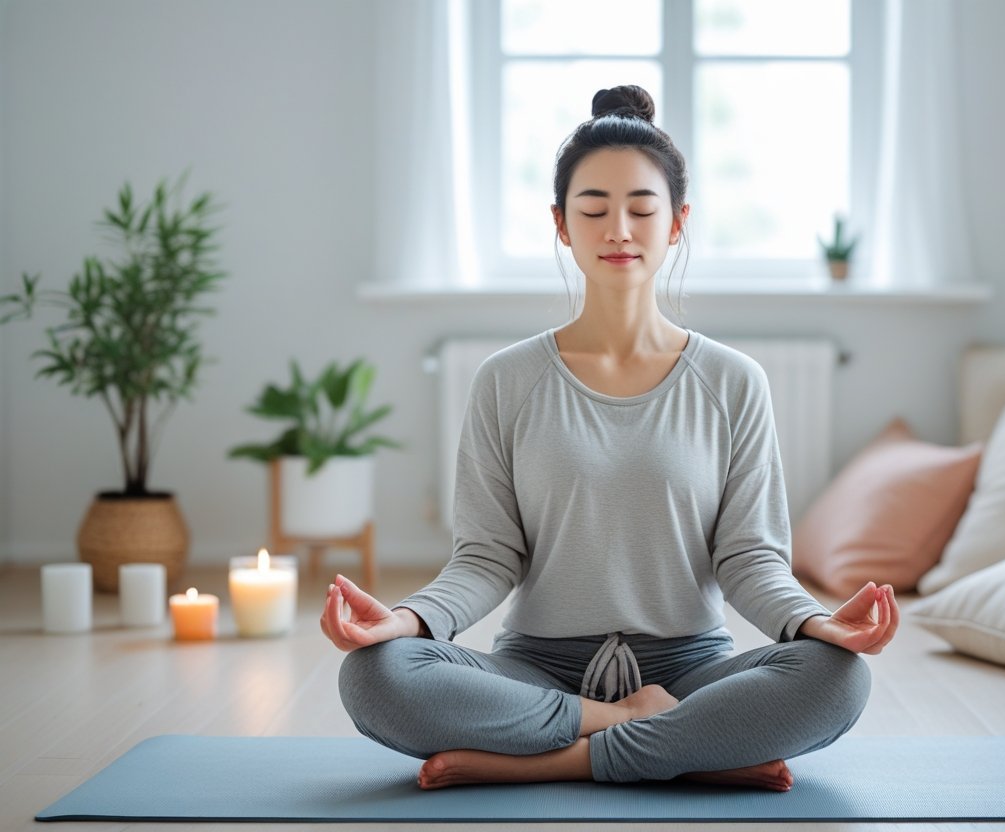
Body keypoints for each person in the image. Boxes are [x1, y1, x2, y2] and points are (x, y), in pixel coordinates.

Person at [322, 85, 899, 792]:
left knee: (837, 679)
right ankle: (660, 742)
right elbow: (486, 556)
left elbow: (750, 557)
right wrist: (409, 619)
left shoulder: (734, 381)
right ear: (562, 225)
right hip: (537, 672)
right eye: (593, 209)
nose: (618, 229)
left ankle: (557, 759)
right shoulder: (505, 380)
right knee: (376, 677)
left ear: (677, 223)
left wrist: (815, 624)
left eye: (641, 209)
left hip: (690, 674)